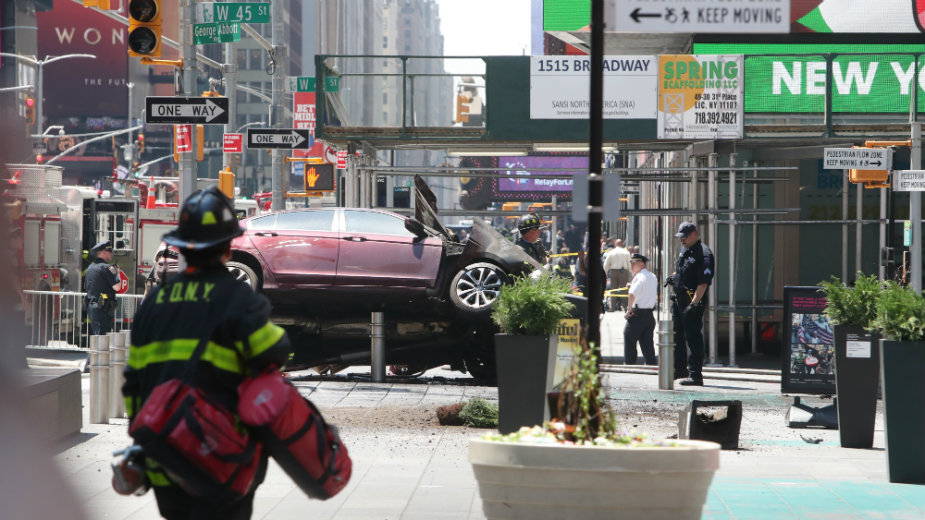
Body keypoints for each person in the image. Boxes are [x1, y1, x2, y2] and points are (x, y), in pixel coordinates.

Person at [123, 187, 292, 519]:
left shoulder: (153, 306)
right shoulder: (241, 300)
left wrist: (145, 443)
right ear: (229, 248)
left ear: (184, 246)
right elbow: (277, 353)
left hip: (165, 458)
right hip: (227, 458)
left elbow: (133, 385)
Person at [669, 222, 715, 386]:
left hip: (693, 302)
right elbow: (683, 270)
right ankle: (679, 369)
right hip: (679, 300)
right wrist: (674, 277)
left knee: (693, 337)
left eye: (684, 237)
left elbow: (703, 283)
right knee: (677, 336)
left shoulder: (704, 254)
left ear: (694, 234)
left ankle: (695, 375)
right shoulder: (685, 249)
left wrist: (694, 305)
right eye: (680, 237)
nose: (682, 240)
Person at [623, 253, 658, 365]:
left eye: (634, 264)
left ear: (642, 264)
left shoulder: (639, 277)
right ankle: (651, 365)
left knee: (629, 337)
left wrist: (629, 310)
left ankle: (629, 365)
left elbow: (632, 294)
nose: (632, 266)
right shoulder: (652, 276)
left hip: (637, 314)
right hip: (649, 315)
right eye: (631, 264)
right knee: (647, 343)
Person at [84, 240, 122, 335]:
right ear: (104, 252)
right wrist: (118, 273)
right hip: (103, 307)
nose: (112, 254)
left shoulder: (90, 268)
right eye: (110, 251)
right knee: (103, 337)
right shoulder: (108, 268)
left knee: (97, 334)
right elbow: (117, 287)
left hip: (92, 306)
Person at [602, 238, 631, 311]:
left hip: (613, 272)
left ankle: (612, 307)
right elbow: (629, 263)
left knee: (613, 289)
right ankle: (625, 307)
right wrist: (632, 273)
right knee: (624, 290)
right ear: (622, 244)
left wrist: (605, 272)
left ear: (615, 244)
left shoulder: (611, 252)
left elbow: (606, 264)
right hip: (623, 272)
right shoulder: (626, 252)